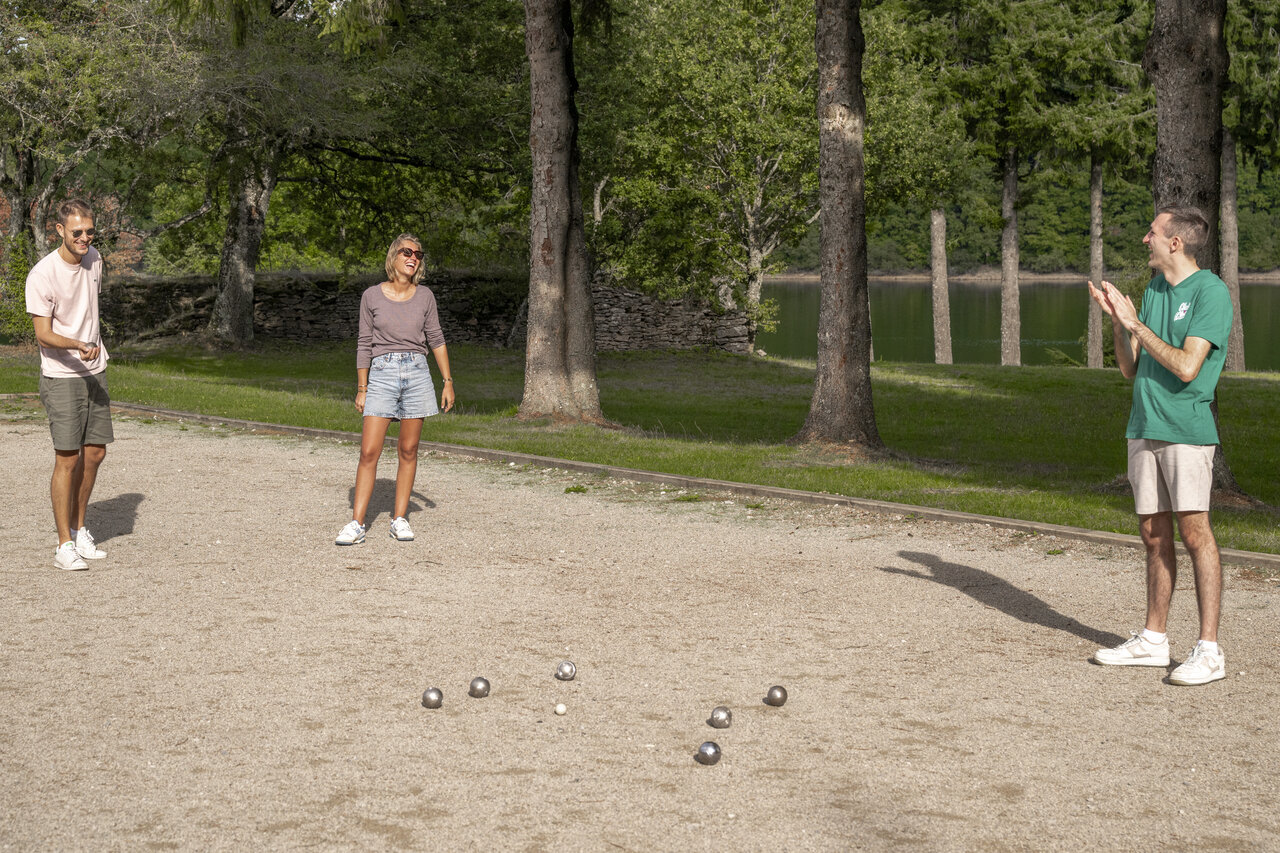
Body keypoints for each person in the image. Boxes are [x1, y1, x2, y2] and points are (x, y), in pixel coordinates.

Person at [1087, 206, 1233, 686]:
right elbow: (1131, 369)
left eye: (1153, 231)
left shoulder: (1210, 292)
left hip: (1186, 432)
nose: (1145, 237)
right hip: (1144, 425)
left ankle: (1209, 651)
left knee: (1196, 535)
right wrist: (1117, 320)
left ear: (1175, 243)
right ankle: (1154, 641)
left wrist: (1136, 326)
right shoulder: (1154, 290)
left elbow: (1188, 367)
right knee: (1154, 536)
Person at [335, 233, 454, 545]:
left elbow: (436, 339)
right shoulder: (371, 297)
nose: (413, 257)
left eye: (418, 253)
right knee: (369, 451)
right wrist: (362, 387)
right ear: (394, 257)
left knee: (408, 450)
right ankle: (356, 523)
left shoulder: (425, 296)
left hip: (417, 373)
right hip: (382, 374)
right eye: (406, 252)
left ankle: (399, 519)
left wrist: (448, 382)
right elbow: (364, 343)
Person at [25, 199, 112, 571]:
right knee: (68, 458)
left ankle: (80, 530)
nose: (85, 238)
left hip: (95, 370)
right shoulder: (42, 275)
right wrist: (78, 344)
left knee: (95, 454)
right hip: (61, 376)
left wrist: (93, 348)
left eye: (90, 231)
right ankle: (64, 545)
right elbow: (43, 335)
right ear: (59, 230)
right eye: (77, 232)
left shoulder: (95, 260)